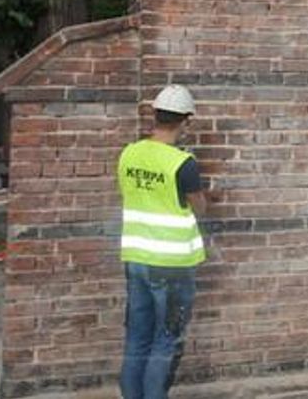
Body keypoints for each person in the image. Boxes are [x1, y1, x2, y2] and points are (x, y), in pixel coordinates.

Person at [118, 84, 207, 399]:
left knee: (137, 338)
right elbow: (199, 207)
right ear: (185, 120)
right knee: (165, 340)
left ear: (155, 115)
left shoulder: (129, 153)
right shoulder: (183, 163)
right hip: (172, 266)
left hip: (136, 260)